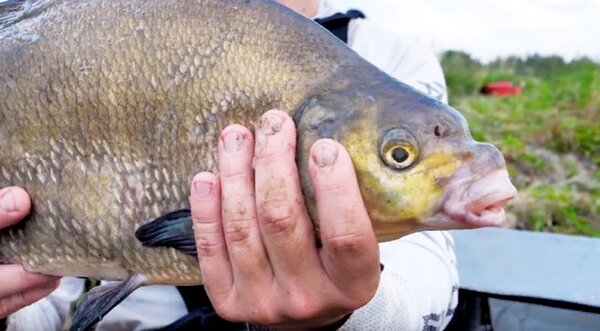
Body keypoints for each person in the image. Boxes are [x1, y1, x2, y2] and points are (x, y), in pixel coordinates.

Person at [2, 0, 457, 330]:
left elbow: (429, 283)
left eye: (399, 155)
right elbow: (45, 308)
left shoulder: (386, 56)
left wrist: (341, 313)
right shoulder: (88, 33)